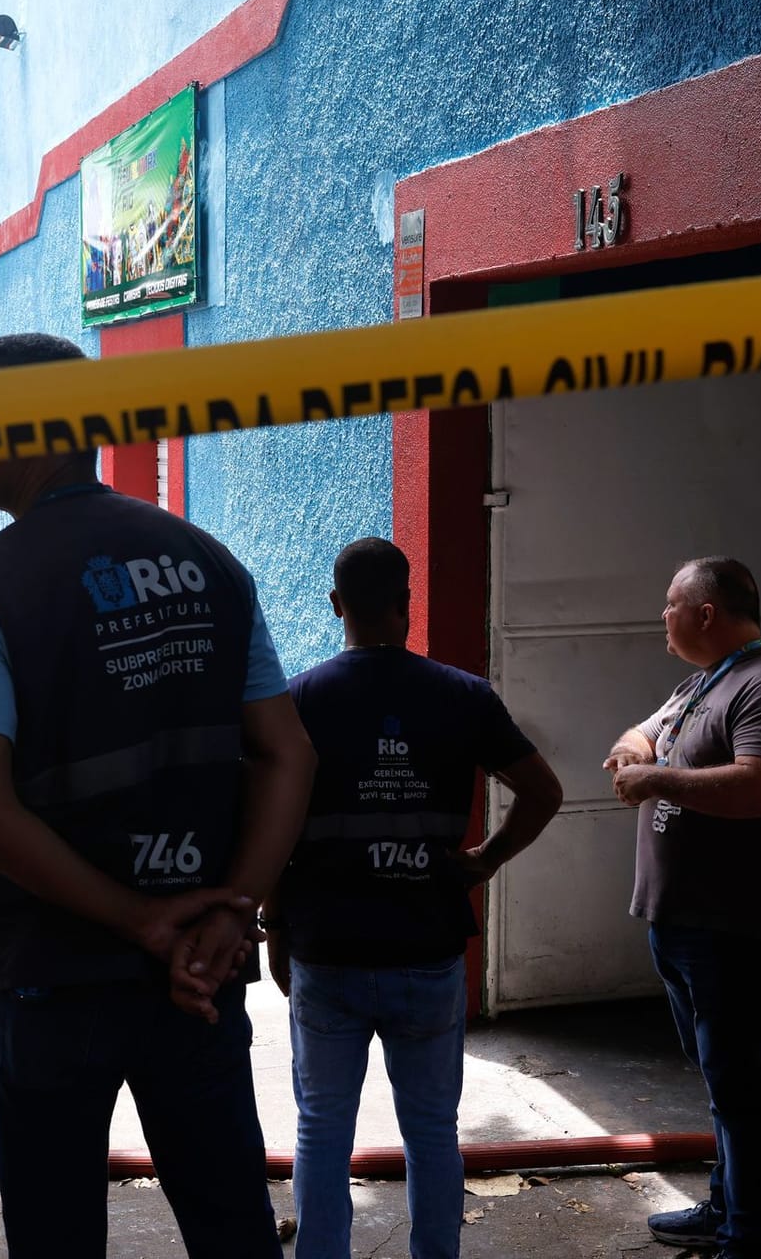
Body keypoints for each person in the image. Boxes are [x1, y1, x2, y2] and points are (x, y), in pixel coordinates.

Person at [0, 332, 317, 1259]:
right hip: (202, 972)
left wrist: (140, 920)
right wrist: (232, 914)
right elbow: (287, 754)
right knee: (233, 1226)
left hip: (50, 974)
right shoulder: (209, 561)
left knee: (56, 1235)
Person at [269, 538, 563, 1259]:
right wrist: (484, 862)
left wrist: (279, 935)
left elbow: (269, 829)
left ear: (336, 606)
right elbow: (542, 791)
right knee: (432, 1130)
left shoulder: (301, 699)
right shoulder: (461, 695)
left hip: (328, 950)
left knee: (321, 1129)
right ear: (407, 604)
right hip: (426, 949)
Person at [603, 557, 761, 1259]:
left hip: (738, 929)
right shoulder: (704, 683)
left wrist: (654, 777)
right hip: (683, 922)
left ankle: (750, 1237)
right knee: (720, 1078)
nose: (660, 617)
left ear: (705, 613)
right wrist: (636, 751)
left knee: (741, 1084)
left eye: (670, 605)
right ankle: (726, 1209)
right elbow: (642, 732)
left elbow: (760, 789)